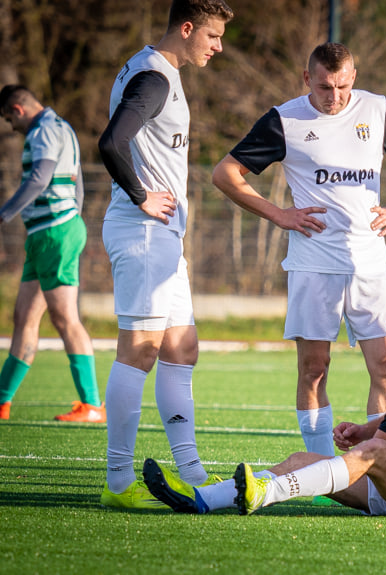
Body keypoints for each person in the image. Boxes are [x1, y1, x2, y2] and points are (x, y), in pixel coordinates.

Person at [211, 43, 386, 463]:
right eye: (325, 87)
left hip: (369, 261)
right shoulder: (284, 120)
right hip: (314, 263)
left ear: (354, 76)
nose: (335, 97)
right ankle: (319, 473)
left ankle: (377, 465)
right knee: (315, 368)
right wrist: (279, 214)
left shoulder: (376, 110)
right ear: (306, 79)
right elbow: (224, 173)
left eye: (344, 85)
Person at [142, 286, 386, 518]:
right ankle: (201, 499)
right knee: (301, 459)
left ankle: (265, 494)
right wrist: (364, 429)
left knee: (370, 453)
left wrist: (367, 441)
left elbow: (377, 453)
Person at [96, 0, 234, 508]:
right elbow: (111, 143)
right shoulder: (154, 78)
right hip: (142, 231)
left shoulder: (155, 70)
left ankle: (192, 471)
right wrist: (141, 196)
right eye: (213, 37)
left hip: (163, 240)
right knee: (140, 350)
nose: (218, 47)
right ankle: (116, 482)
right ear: (188, 27)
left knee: (182, 346)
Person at [0, 85, 103, 423]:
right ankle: (2, 401)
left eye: (7, 120)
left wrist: (4, 213)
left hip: (54, 233)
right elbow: (79, 187)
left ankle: (91, 405)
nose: (11, 128)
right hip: (50, 232)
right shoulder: (62, 127)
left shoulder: (44, 130)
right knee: (25, 317)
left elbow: (41, 177)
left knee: (64, 318)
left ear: (17, 110)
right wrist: (73, 218)